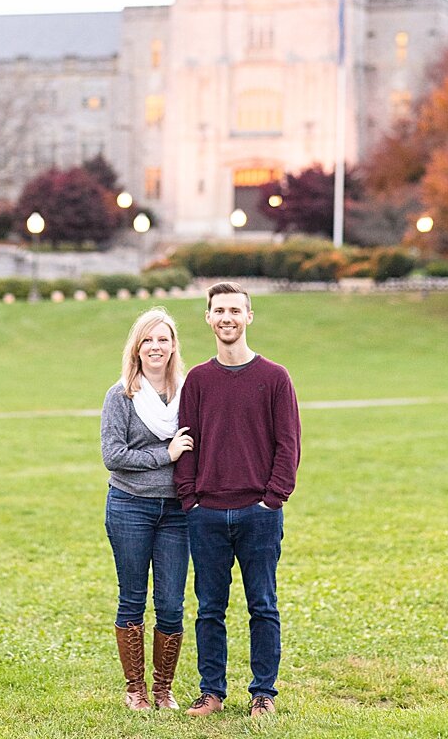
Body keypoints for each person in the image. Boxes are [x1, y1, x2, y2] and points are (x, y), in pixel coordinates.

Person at [175, 281, 301, 719]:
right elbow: (185, 443)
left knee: (262, 604)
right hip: (206, 513)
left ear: (249, 317)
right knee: (209, 607)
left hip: (259, 513)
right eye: (218, 311)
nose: (226, 318)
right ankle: (211, 691)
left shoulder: (275, 377)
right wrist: (189, 500)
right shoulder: (198, 380)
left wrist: (272, 499)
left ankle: (263, 692)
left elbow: (289, 445)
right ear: (208, 318)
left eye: (234, 310)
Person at [100, 306, 194, 710]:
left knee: (172, 602)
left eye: (163, 339)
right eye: (148, 340)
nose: (156, 346)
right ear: (136, 348)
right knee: (132, 598)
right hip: (129, 507)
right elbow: (113, 454)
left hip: (177, 512)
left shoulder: (190, 394)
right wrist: (166, 454)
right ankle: (135, 689)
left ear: (173, 347)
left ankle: (163, 688)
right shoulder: (121, 395)